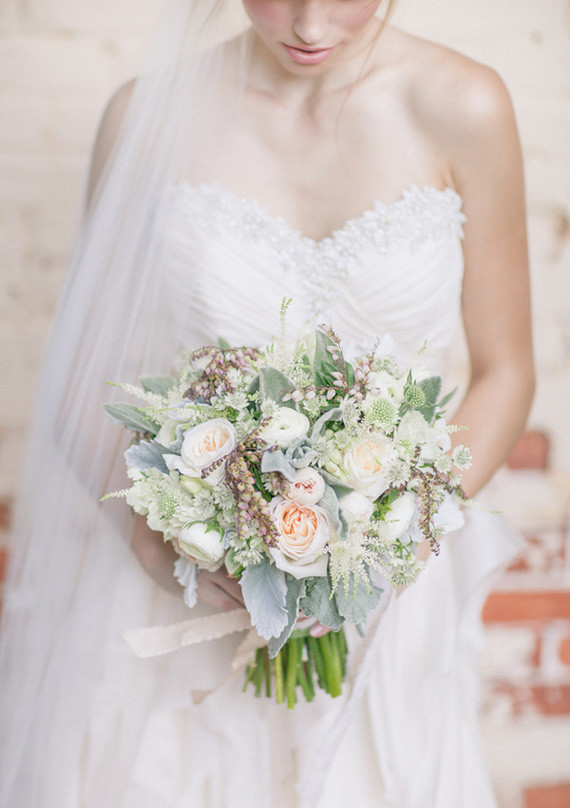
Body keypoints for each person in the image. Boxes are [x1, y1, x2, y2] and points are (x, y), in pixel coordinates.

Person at [0, 0, 534, 806]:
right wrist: (150, 537)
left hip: (383, 603)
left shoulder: (465, 106)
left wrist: (391, 535)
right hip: (183, 589)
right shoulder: (145, 113)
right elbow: (83, 363)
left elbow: (505, 370)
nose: (310, 28)